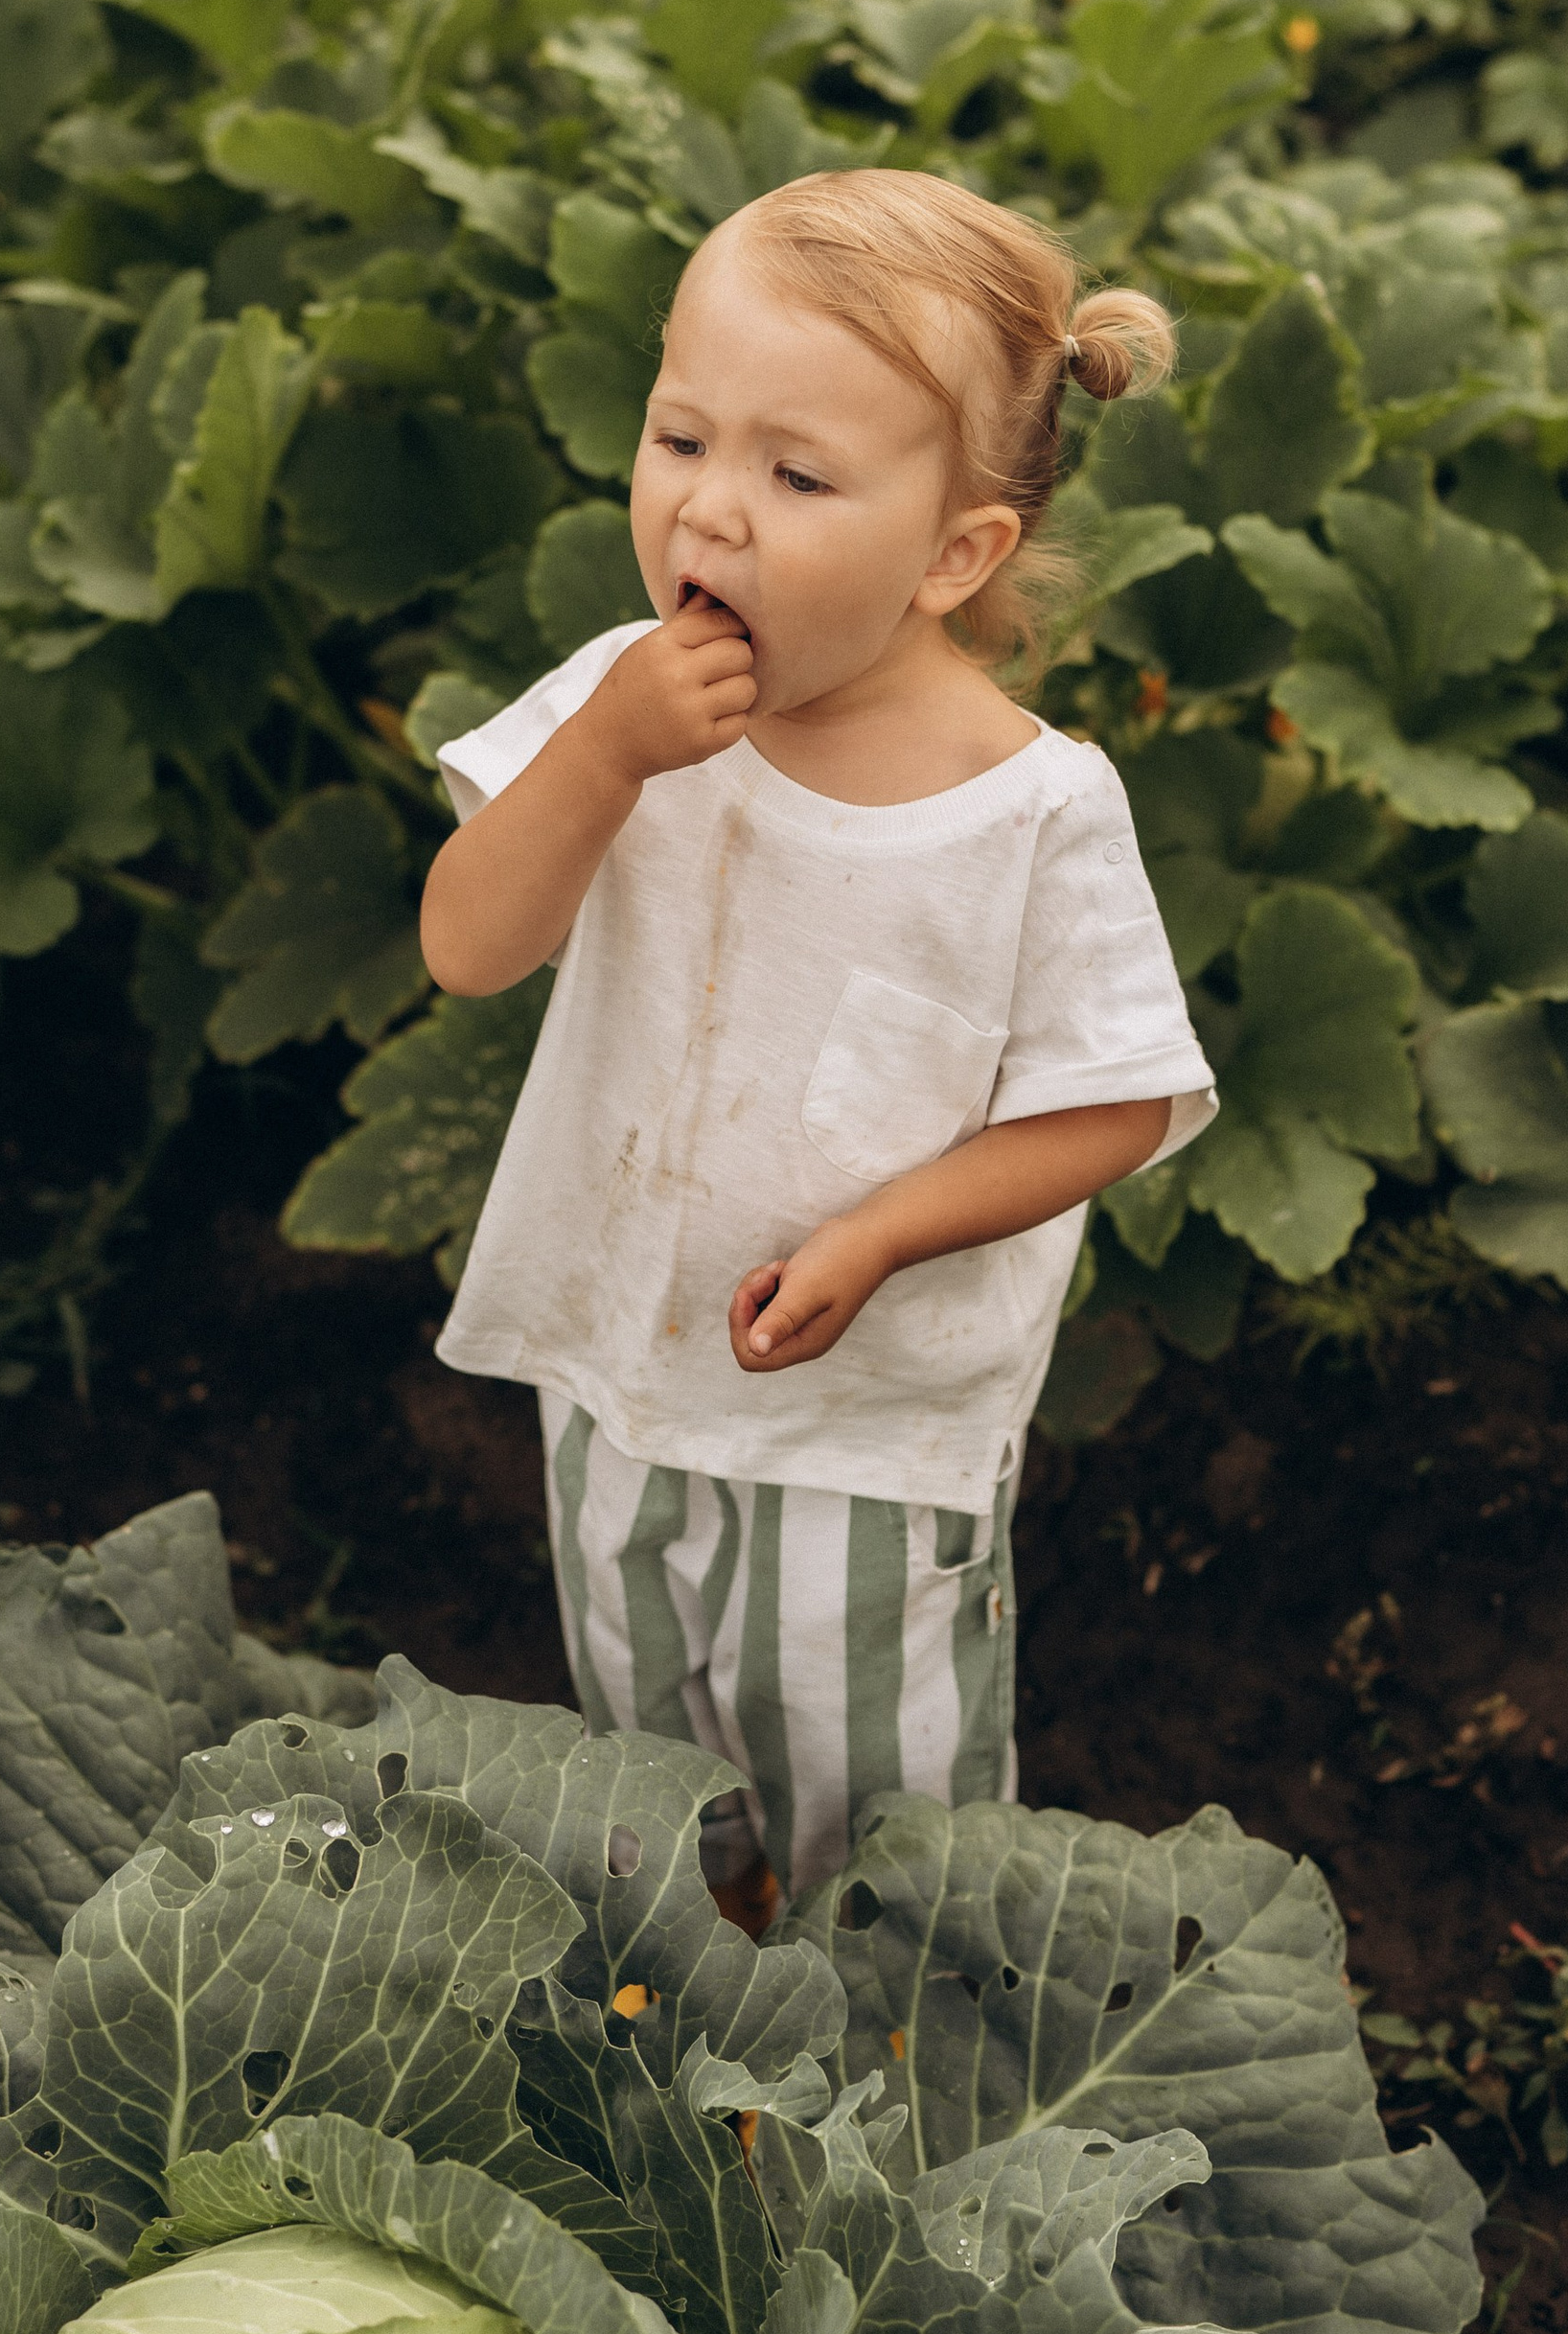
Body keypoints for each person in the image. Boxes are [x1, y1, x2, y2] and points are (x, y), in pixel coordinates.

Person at [419, 166, 1215, 1930]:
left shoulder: (1027, 814)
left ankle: (883, 2030)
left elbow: (1119, 1105)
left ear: (957, 555)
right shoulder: (617, 704)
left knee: (880, 1780)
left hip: (865, 1430)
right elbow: (470, 947)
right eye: (681, 436)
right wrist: (607, 760)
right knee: (640, 1739)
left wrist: (878, 1234)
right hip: (617, 1365)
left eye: (795, 475)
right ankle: (693, 1966)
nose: (712, 511)